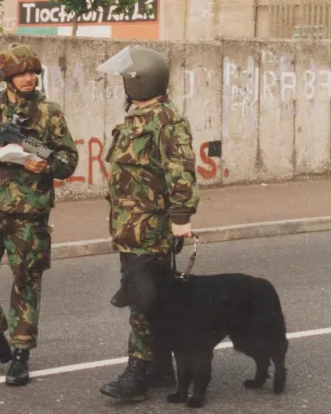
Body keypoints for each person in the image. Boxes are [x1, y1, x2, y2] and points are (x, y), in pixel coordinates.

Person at [0, 43, 79, 387]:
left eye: (32, 73)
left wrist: (45, 162)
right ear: (6, 78)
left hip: (29, 213)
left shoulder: (49, 113)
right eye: (20, 73)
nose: (28, 79)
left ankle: (21, 353)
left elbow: (68, 160)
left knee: (26, 283)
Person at [96, 45, 200, 402]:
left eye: (127, 78)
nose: (124, 84)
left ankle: (137, 375)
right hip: (130, 229)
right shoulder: (138, 118)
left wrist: (181, 220)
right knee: (151, 300)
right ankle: (159, 369)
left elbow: (182, 174)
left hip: (151, 231)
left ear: (139, 82)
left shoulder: (167, 122)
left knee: (142, 302)